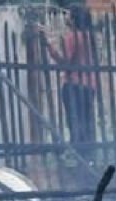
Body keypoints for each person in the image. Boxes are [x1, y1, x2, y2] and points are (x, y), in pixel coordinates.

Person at [42, 4, 96, 162]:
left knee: (74, 121)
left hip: (73, 84)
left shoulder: (73, 37)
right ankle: (88, 154)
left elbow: (65, 62)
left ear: (73, 19)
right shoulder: (89, 37)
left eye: (68, 15)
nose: (65, 17)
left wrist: (49, 46)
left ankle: (78, 154)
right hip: (89, 85)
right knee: (86, 120)